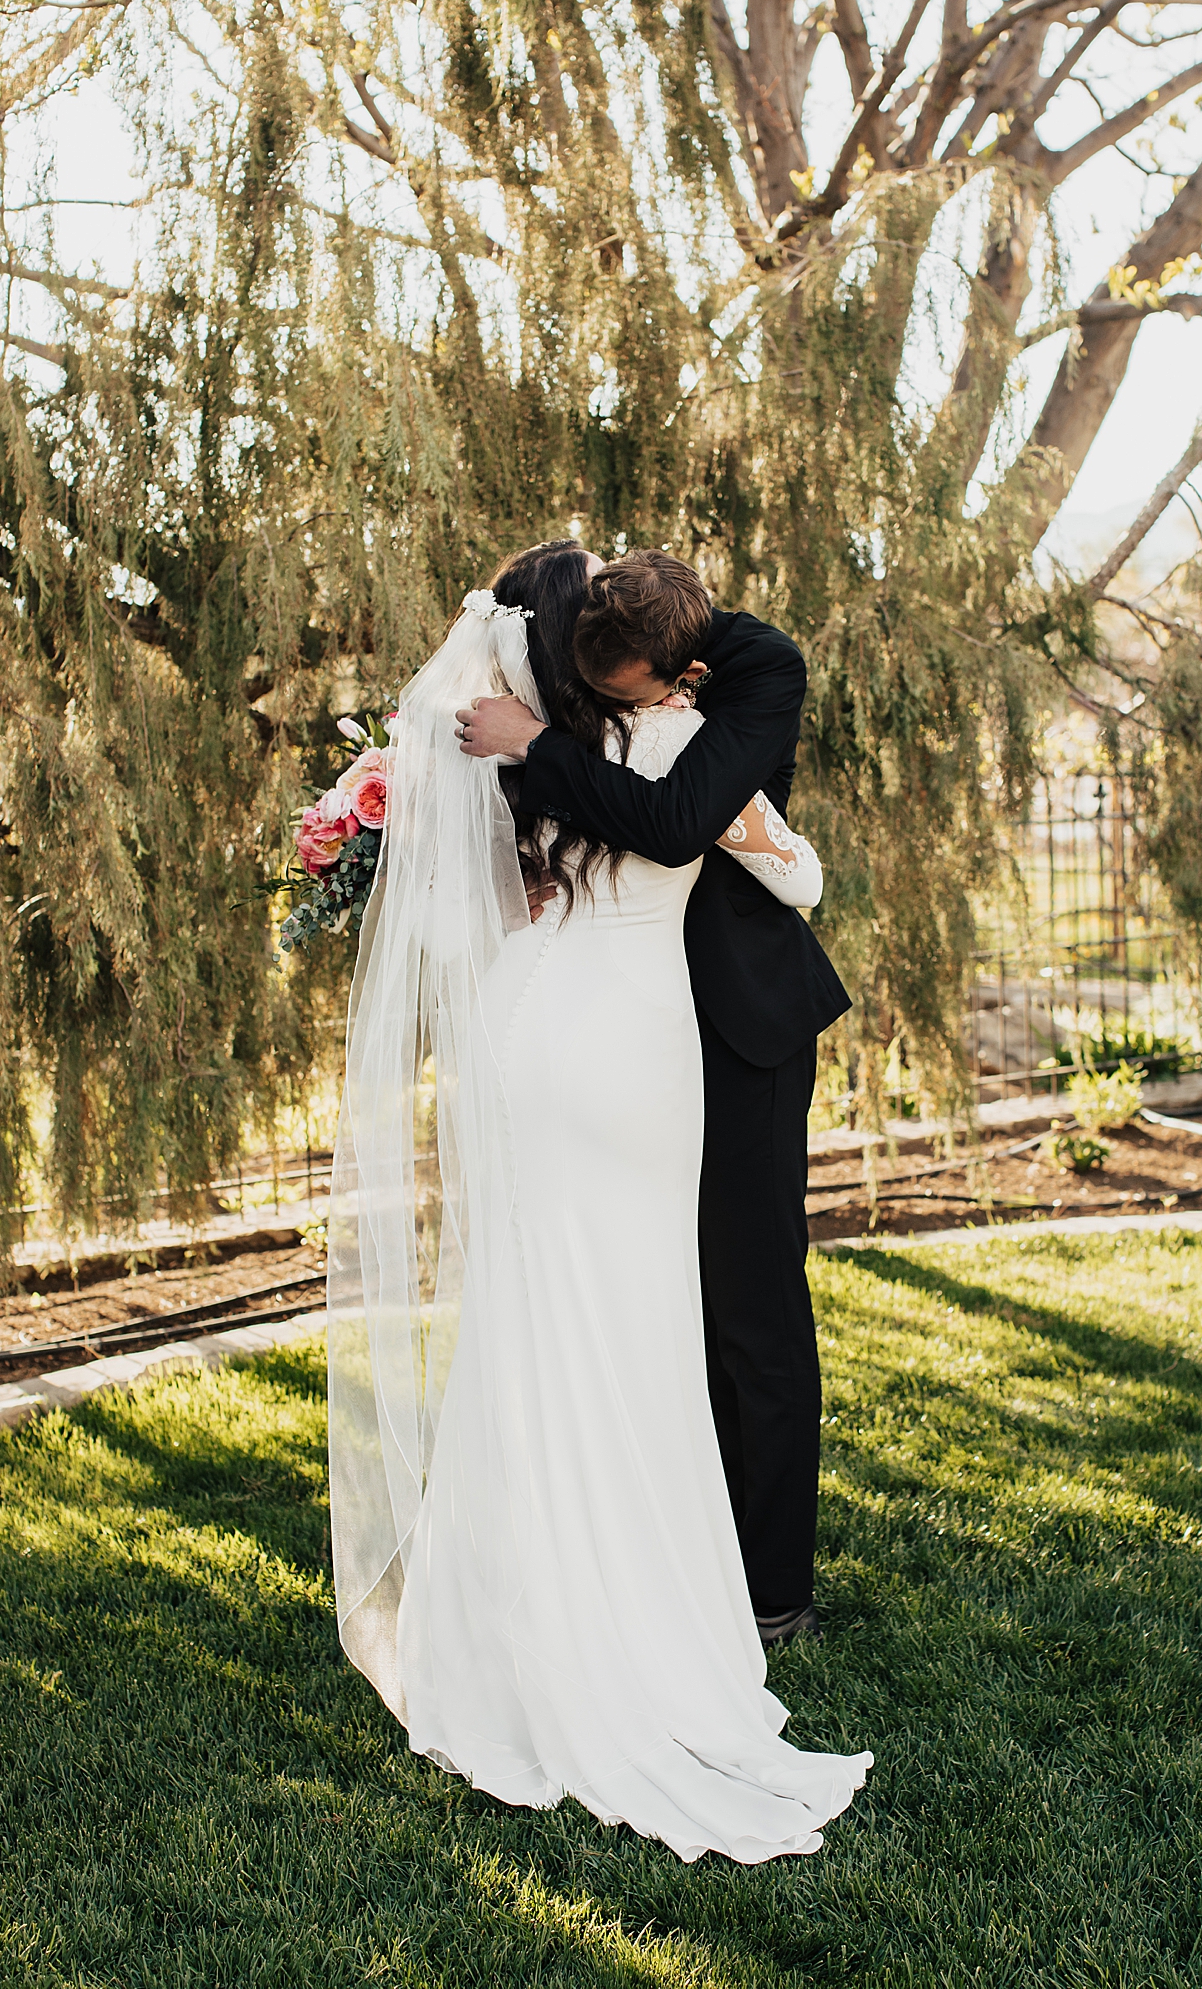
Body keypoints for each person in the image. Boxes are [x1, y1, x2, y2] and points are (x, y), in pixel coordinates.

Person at [327, 539, 870, 1864]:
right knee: (629, 1330)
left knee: (530, 1319)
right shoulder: (674, 737)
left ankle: (506, 1616)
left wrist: (423, 802)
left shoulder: (514, 742)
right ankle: (643, 1610)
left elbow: (498, 881)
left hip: (525, 1026)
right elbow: (762, 856)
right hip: (628, 1048)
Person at [456, 553, 850, 1642]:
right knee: (628, 1298)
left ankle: (768, 1589)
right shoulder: (552, 728)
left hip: (730, 1031)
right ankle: (650, 1547)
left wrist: (535, 753)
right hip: (624, 1036)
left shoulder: (749, 670)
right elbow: (792, 868)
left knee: (745, 1305)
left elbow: (681, 819)